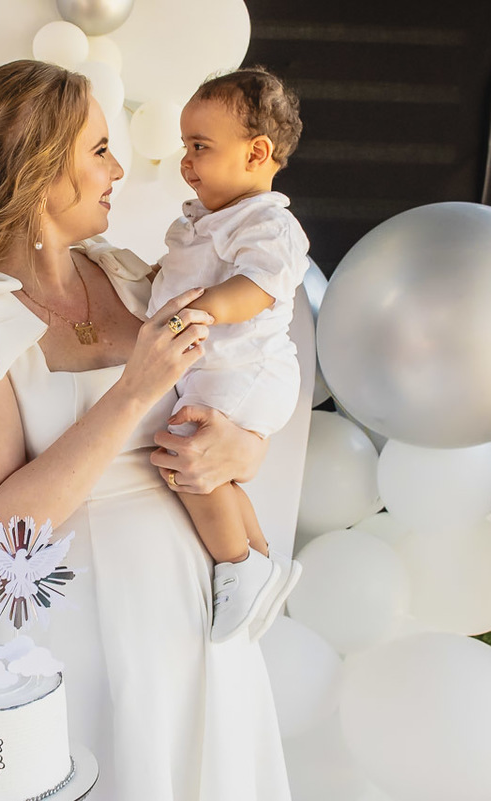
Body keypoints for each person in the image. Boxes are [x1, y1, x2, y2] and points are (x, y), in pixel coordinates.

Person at [0, 60, 292, 801]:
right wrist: (134, 385)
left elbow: (228, 391)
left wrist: (245, 447)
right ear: (43, 167)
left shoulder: (133, 275)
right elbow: (8, 523)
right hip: (83, 632)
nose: (120, 167)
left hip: (195, 609)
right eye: (99, 149)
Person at [148, 68, 310, 645]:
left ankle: (238, 565)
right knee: (206, 466)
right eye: (185, 146)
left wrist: (202, 310)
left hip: (249, 370)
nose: (186, 161)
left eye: (200, 147)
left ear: (256, 153)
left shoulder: (268, 223)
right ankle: (260, 560)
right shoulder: (207, 219)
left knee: (188, 463)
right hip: (223, 370)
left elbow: (259, 288)